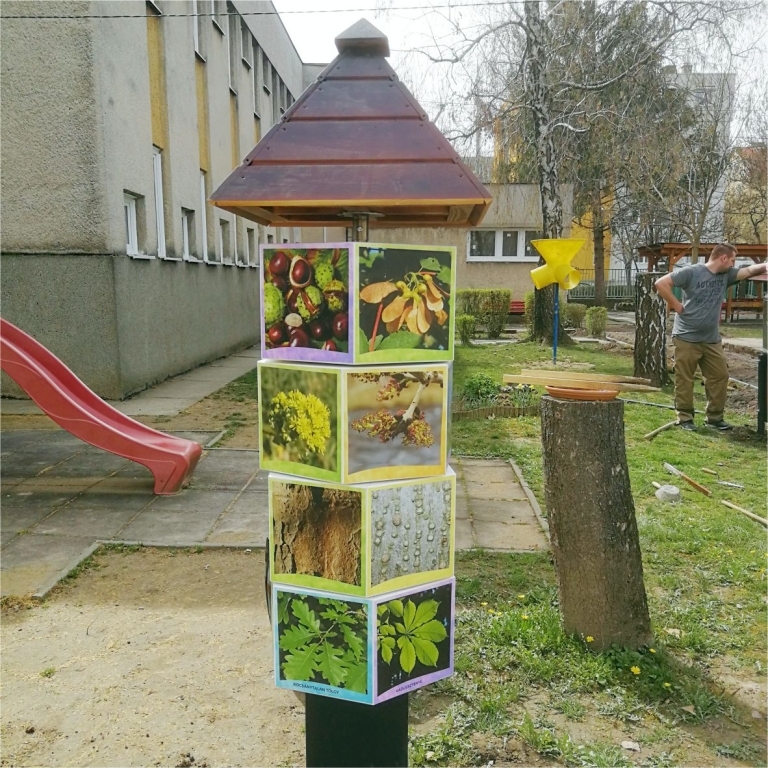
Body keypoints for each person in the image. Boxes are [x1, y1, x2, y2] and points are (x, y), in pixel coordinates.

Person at [654, 244, 767, 431]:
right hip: (686, 336)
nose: (733, 264)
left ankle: (714, 418)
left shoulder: (727, 276)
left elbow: (748, 270)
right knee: (685, 378)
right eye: (732, 260)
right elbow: (661, 283)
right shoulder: (691, 272)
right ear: (723, 258)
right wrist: (676, 305)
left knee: (720, 376)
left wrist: (764, 266)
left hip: (711, 339)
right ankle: (684, 418)